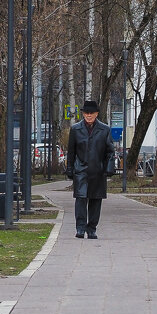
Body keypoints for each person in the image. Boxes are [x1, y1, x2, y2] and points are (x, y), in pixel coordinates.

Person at [66, 100, 115, 239]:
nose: (88, 115)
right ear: (82, 113)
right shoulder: (76, 129)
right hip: (81, 170)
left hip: (97, 171)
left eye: (91, 113)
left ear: (96, 114)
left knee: (96, 200)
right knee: (81, 199)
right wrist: (70, 169)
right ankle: (80, 228)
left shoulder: (104, 129)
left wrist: (108, 168)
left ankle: (92, 228)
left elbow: (110, 151)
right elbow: (71, 151)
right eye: (86, 113)